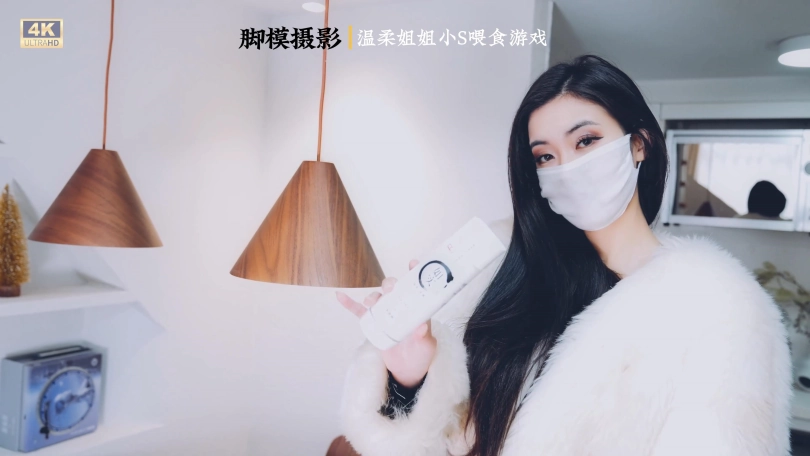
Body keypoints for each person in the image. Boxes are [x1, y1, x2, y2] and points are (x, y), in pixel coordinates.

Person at [334, 55, 793, 456]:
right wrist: (410, 376)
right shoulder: (503, 270)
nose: (567, 167)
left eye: (586, 141)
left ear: (639, 143)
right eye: (544, 157)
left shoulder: (719, 312)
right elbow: (444, 439)